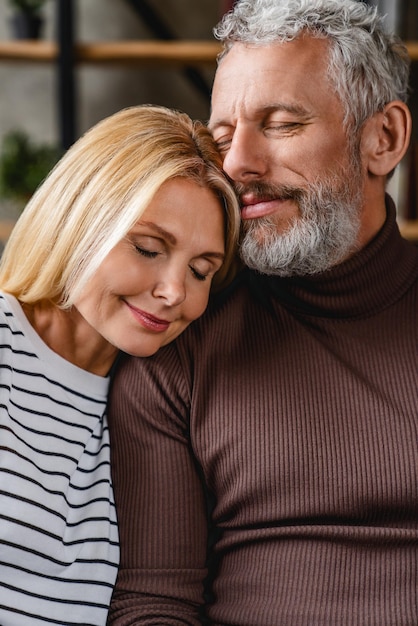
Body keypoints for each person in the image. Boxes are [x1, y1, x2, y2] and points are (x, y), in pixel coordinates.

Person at [107, 1, 418, 624]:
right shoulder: (177, 338)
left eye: (280, 124)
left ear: (382, 139)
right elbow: (155, 602)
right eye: (222, 137)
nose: (238, 165)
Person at [0, 104, 240, 626]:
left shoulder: (150, 399)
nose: (175, 291)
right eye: (149, 248)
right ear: (79, 218)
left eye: (202, 271)